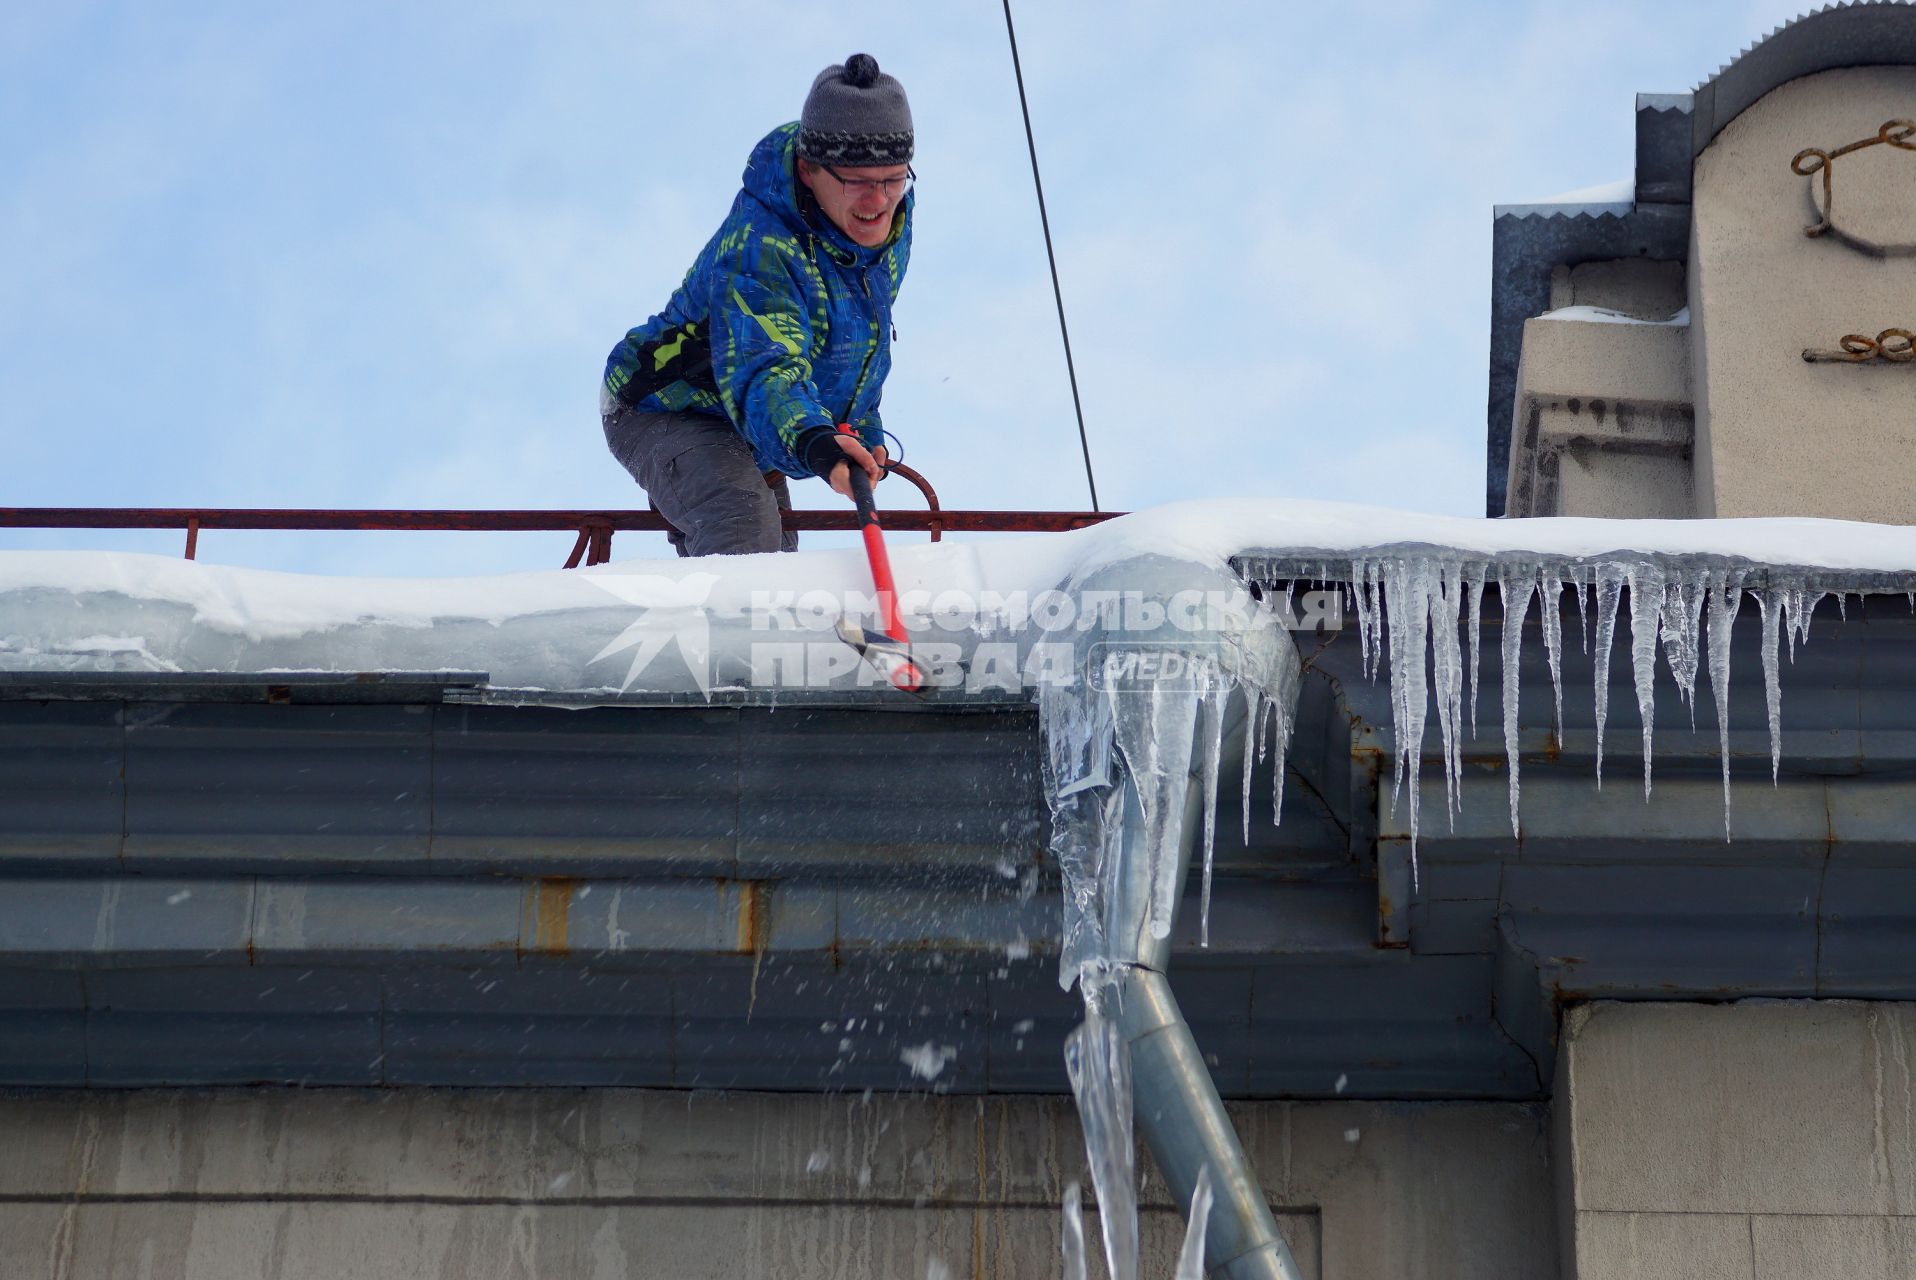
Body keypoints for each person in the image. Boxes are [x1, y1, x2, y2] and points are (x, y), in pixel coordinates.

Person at [601, 53, 914, 557]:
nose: (877, 201)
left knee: (776, 563)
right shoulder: (761, 247)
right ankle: (720, 635)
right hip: (668, 402)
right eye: (857, 180)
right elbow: (764, 365)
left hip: (745, 418)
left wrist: (859, 425)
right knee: (744, 530)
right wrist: (814, 438)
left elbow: (860, 335)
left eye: (892, 179)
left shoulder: (886, 224)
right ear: (810, 170)